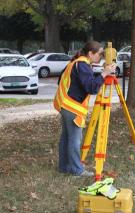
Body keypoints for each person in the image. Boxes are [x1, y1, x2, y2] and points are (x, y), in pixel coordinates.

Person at [54, 41, 116, 176]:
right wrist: (104, 74)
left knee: (66, 137)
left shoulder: (77, 62)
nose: (101, 56)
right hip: (72, 108)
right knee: (74, 139)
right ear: (90, 54)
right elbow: (92, 87)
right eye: (100, 54)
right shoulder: (82, 65)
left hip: (65, 105)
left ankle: (64, 167)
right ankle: (76, 170)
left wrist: (100, 74)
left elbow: (81, 81)